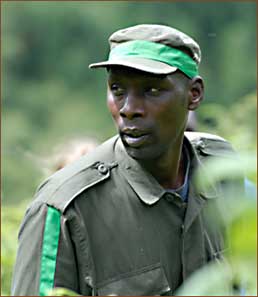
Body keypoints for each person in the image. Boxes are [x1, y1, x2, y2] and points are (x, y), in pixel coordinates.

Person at [11, 24, 243, 296]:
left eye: (152, 91)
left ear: (194, 94)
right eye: (118, 90)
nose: (129, 109)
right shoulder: (64, 208)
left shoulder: (222, 169)